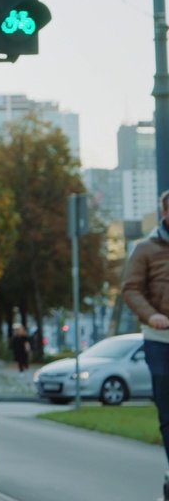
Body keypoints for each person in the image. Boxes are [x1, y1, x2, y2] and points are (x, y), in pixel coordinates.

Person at [120, 188, 169, 498]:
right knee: (167, 406)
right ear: (165, 213)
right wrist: (151, 315)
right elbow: (131, 288)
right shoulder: (146, 249)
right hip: (160, 338)